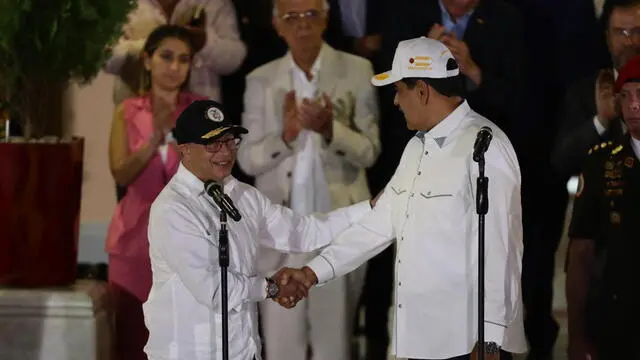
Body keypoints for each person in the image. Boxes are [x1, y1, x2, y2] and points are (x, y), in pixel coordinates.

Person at [273, 37, 527, 360]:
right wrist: (312, 274)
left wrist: (489, 340)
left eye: (398, 90)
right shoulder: (415, 149)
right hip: (420, 342)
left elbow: (502, 247)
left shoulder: (484, 146)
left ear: (421, 90)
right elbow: (378, 225)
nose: (395, 102)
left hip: (467, 345)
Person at [143, 99, 375, 360]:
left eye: (230, 141)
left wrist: (369, 208)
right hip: (191, 353)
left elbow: (304, 232)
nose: (225, 152)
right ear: (184, 149)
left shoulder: (242, 195)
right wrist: (272, 288)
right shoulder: (173, 209)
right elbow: (215, 290)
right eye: (213, 144)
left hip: (244, 351)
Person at [236, 0, 380, 359]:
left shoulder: (358, 70)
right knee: (282, 345)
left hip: (336, 227)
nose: (302, 24)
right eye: (292, 17)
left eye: (311, 14)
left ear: (326, 20)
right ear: (277, 25)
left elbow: (370, 151)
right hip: (280, 230)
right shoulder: (261, 78)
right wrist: (285, 136)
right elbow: (247, 159)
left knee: (334, 345)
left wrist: (331, 129)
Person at [105, 25, 207, 360]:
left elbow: (215, 175)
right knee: (134, 341)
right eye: (166, 56)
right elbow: (120, 171)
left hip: (188, 240)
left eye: (183, 59)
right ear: (148, 61)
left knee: (184, 342)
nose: (174, 66)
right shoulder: (127, 111)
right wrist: (154, 139)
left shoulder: (202, 112)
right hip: (135, 242)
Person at [565, 55, 640, 360]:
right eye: (627, 96)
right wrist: (576, 334)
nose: (634, 105)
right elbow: (581, 251)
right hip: (617, 317)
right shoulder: (601, 162)